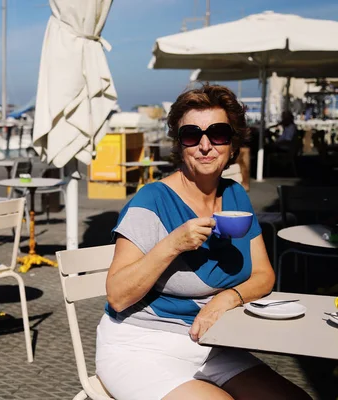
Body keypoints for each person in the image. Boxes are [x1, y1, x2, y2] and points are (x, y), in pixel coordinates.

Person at [96, 84, 311, 400]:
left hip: (211, 344)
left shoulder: (234, 195)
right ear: (179, 144)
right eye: (192, 135)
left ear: (233, 143)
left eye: (219, 133)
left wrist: (225, 300)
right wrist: (174, 243)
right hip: (141, 346)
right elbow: (117, 296)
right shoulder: (151, 201)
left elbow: (264, 275)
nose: (205, 145)